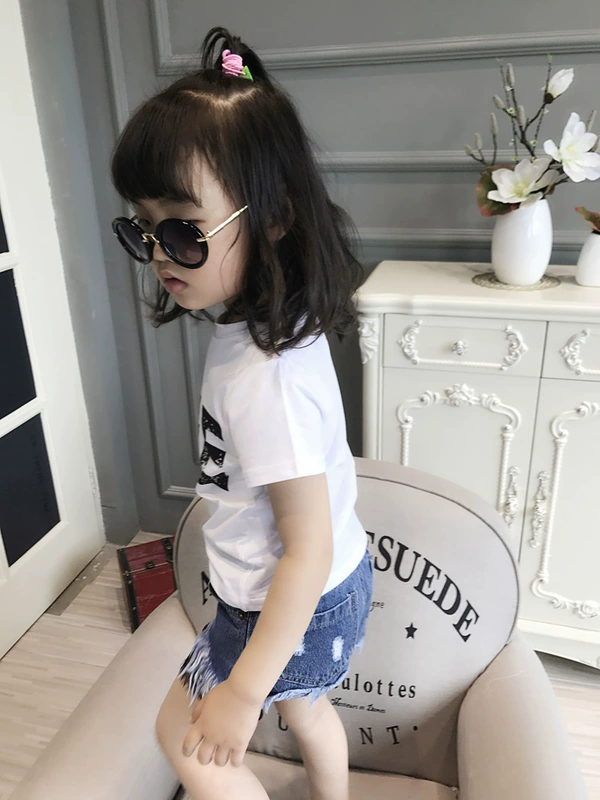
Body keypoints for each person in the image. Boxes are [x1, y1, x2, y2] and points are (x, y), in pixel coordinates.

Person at [109, 25, 373, 800]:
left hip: (287, 602)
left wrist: (242, 691)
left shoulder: (267, 381)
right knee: (308, 710)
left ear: (274, 218)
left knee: (186, 738)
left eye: (184, 231)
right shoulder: (273, 326)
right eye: (143, 228)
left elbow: (305, 549)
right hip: (325, 593)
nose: (161, 252)